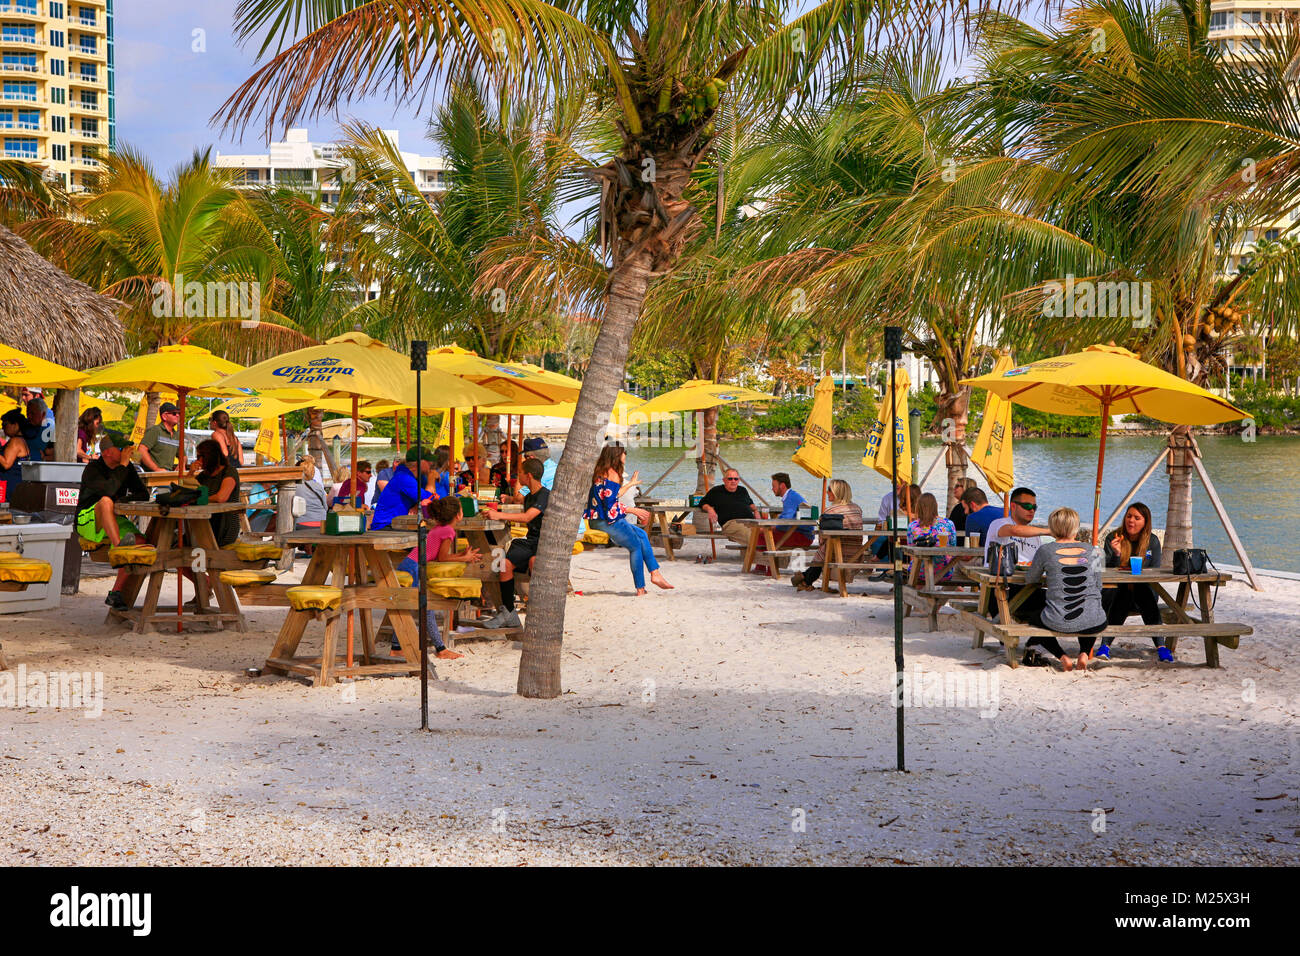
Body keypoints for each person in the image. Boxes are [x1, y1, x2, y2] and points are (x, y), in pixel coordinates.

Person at [1021, 507, 1108, 671]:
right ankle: (1084, 653)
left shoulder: (1045, 550)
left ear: (1053, 527)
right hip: (1094, 621)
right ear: (1076, 527)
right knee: (1091, 608)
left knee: (1034, 619)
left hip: (1058, 621)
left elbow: (1030, 579)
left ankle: (1063, 656)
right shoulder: (1096, 551)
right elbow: (1098, 586)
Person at [75, 430, 149, 612]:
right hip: (88, 518)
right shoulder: (94, 468)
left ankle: (116, 592)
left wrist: (123, 500)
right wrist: (123, 466)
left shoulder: (127, 467)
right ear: (108, 452)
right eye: (121, 449)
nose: (126, 452)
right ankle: (118, 548)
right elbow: (107, 491)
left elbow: (143, 494)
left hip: (113, 518)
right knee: (106, 501)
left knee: (141, 542)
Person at [393, 495, 475, 661]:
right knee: (425, 607)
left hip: (410, 564)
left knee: (406, 606)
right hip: (415, 568)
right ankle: (440, 648)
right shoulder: (449, 531)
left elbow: (438, 555)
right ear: (458, 515)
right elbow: (443, 558)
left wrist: (461, 555)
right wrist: (464, 558)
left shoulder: (440, 528)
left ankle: (396, 647)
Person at [585, 444, 672, 594]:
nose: (625, 456)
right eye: (624, 453)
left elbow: (613, 495)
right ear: (617, 455)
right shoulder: (613, 474)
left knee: (642, 534)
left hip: (596, 518)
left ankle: (655, 574)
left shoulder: (600, 472)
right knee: (635, 546)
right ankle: (641, 588)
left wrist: (631, 484)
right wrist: (633, 510)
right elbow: (610, 506)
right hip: (608, 520)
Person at [1097, 501, 1171, 662]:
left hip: (1144, 593)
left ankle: (1105, 646)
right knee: (1125, 592)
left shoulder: (1152, 541)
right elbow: (1106, 572)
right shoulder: (1113, 538)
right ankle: (1162, 647)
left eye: (1137, 518)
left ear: (1145, 522)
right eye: (1129, 516)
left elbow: (1154, 573)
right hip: (1115, 593)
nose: (1131, 520)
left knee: (1139, 590)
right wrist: (1116, 554)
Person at [482, 457, 549, 629]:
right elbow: (519, 499)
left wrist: (498, 515)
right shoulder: (530, 496)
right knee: (504, 564)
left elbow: (527, 517)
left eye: (520, 473)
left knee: (534, 561)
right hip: (530, 541)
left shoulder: (545, 495)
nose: (518, 476)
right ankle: (508, 612)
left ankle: (539, 612)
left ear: (528, 475)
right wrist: (509, 498)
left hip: (544, 543)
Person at [791, 479, 863, 591]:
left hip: (836, 554)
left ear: (836, 492)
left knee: (825, 549)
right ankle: (805, 578)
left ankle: (806, 578)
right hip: (855, 553)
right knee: (827, 548)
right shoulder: (857, 509)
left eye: (829, 489)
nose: (827, 492)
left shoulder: (830, 510)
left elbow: (822, 539)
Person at [189, 438, 241, 547]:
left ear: (209, 456)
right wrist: (191, 473)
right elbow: (186, 491)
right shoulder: (203, 475)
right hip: (206, 523)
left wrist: (199, 499)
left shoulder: (229, 472)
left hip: (224, 526)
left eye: (200, 456)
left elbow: (221, 498)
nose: (198, 460)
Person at [370, 447, 436, 531]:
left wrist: (416, 505)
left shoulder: (407, 476)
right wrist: (431, 479)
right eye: (428, 461)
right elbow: (428, 500)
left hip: (395, 523)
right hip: (386, 525)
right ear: (420, 463)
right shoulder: (404, 478)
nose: (431, 463)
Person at [700, 468, 760, 546]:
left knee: (766, 532)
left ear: (738, 480)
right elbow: (702, 502)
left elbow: (750, 503)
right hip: (731, 524)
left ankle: (752, 552)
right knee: (751, 535)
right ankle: (758, 553)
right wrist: (710, 509)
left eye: (736, 479)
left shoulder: (742, 490)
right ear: (724, 480)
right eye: (730, 479)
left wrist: (755, 511)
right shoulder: (716, 491)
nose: (733, 481)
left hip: (749, 521)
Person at [770, 472, 814, 550]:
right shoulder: (791, 496)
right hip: (801, 534)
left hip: (802, 537)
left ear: (782, 486)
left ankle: (764, 557)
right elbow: (786, 518)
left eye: (774, 486)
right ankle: (768, 556)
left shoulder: (790, 498)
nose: (772, 489)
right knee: (766, 536)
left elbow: (785, 523)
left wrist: (772, 527)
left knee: (763, 536)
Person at [139, 402, 182, 472]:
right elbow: (141, 450)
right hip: (153, 475)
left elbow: (183, 456)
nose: (177, 415)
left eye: (179, 413)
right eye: (174, 413)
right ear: (164, 416)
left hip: (167, 475)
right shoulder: (155, 430)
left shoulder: (177, 435)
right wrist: (156, 469)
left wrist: (181, 465)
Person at [0, 409, 32, 493]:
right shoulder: (21, 440)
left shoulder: (16, 441)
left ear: (15, 425)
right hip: (16, 485)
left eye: (5, 424)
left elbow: (6, 464)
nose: (3, 428)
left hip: (10, 487)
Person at [19, 387, 53, 461]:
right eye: (28, 413)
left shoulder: (48, 419)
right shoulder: (30, 423)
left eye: (26, 395)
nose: (23, 398)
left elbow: (45, 448)